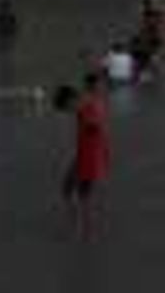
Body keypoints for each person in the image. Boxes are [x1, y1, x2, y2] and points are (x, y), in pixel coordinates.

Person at [62, 72, 110, 238]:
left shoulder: (89, 102)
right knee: (73, 188)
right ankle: (82, 224)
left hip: (89, 153)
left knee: (75, 189)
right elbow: (92, 123)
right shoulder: (92, 101)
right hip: (89, 152)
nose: (102, 87)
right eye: (99, 84)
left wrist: (90, 123)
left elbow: (93, 124)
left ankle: (81, 225)